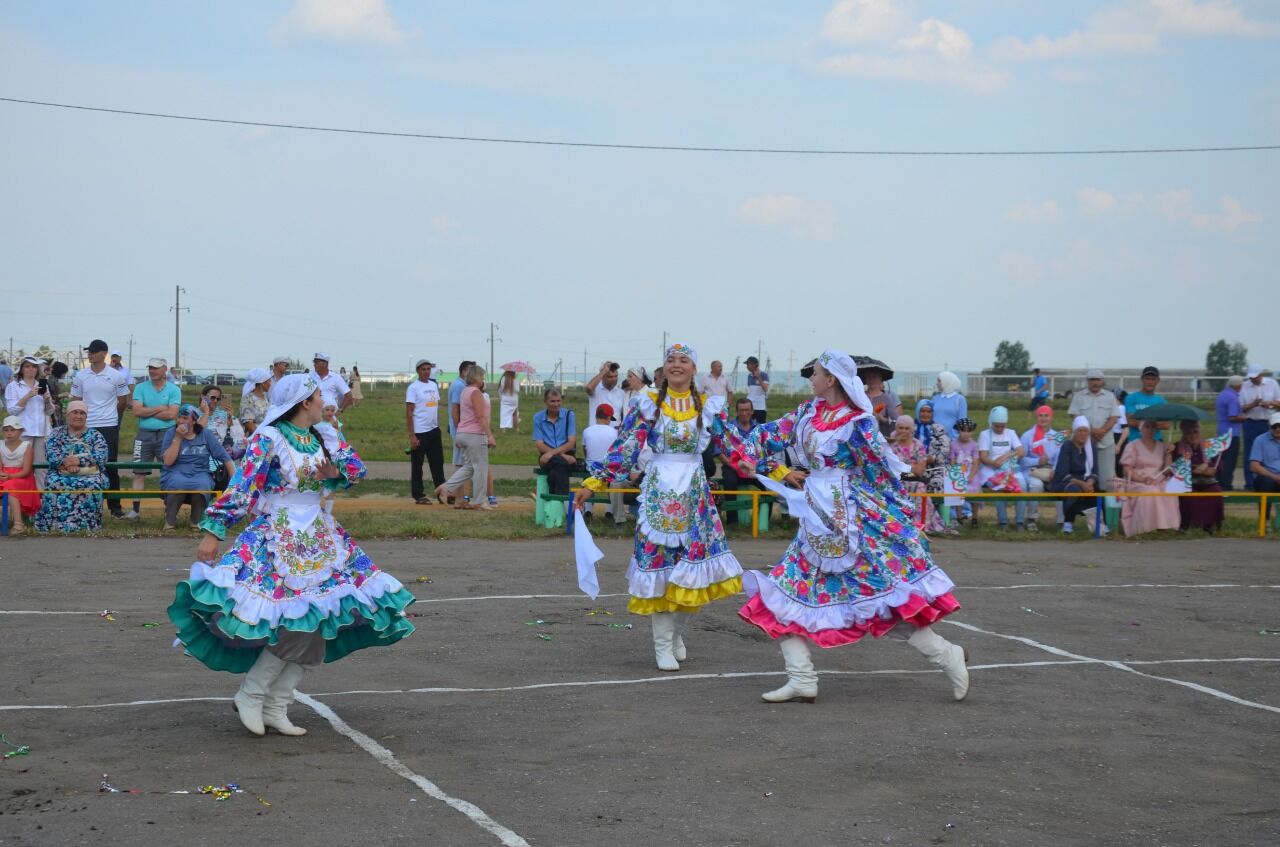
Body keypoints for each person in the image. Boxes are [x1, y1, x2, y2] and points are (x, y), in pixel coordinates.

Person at [169, 373, 416, 737]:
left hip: (320, 536)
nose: (324, 402)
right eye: (318, 396)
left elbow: (353, 471)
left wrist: (336, 474)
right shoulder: (268, 438)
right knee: (292, 621)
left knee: (321, 621)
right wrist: (212, 531)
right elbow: (243, 487)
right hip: (280, 534)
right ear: (304, 402)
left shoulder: (323, 435)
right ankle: (252, 694)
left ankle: (277, 704)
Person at [735, 349, 969, 704]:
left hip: (852, 522)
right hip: (815, 518)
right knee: (782, 593)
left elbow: (879, 472)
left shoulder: (858, 423)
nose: (810, 379)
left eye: (814, 373)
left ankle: (946, 654)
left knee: (887, 602)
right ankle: (801, 677)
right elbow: (770, 433)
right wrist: (746, 451)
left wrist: (894, 519)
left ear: (831, 379)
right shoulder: (807, 412)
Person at [575, 342, 753, 673]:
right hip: (658, 491)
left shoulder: (709, 406)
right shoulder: (647, 404)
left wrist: (776, 471)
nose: (676, 365)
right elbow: (625, 447)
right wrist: (593, 483)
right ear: (664, 368)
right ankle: (661, 643)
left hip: (695, 495)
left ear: (693, 369)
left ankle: (675, 635)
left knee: (692, 572)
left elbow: (737, 446)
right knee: (660, 569)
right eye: (671, 360)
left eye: (684, 360)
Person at [70, 339, 130, 518]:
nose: (90, 354)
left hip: (109, 425)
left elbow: (122, 401)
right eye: (89, 351)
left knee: (110, 465)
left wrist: (113, 418)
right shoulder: (81, 375)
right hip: (86, 425)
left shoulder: (116, 376)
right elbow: (76, 400)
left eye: (94, 351)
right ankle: (85, 506)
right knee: (84, 464)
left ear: (104, 353)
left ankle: (115, 507)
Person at [33, 400, 109, 534]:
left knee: (92, 484)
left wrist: (79, 461)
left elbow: (101, 456)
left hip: (90, 473)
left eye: (82, 413)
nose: (78, 416)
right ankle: (55, 526)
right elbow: (50, 454)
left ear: (86, 417)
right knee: (54, 483)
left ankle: (89, 526)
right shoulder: (56, 433)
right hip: (60, 472)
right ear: (67, 415)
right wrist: (66, 463)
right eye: (74, 412)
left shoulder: (96, 435)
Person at [161, 403, 234, 530]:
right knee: (178, 483)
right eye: (179, 417)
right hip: (176, 471)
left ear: (194, 421)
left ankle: (196, 522)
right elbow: (168, 462)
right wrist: (178, 437)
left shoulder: (205, 434)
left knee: (203, 485)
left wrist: (235, 480)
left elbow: (225, 457)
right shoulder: (171, 433)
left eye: (185, 418)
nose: (180, 421)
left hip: (200, 472)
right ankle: (170, 522)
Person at [437, 364, 496, 510]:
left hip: (463, 433)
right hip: (475, 435)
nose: (483, 379)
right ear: (477, 377)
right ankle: (480, 501)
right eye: (482, 376)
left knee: (469, 467)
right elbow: (480, 416)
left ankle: (446, 487)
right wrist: (490, 435)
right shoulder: (476, 393)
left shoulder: (465, 391)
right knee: (481, 468)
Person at [129, 357, 182, 520]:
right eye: (150, 367)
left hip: (167, 434)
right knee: (139, 471)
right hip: (144, 433)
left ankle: (169, 509)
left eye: (156, 368)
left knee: (167, 470)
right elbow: (136, 411)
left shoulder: (174, 389)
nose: (152, 371)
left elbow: (172, 415)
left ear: (164, 369)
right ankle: (135, 511)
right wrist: (160, 408)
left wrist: (148, 410)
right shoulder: (140, 387)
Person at [1116, 419, 1180, 536]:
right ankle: (1145, 527)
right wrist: (1142, 479)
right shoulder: (1133, 445)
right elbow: (1126, 469)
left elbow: (1167, 470)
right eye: (1147, 427)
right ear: (1141, 429)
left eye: (1152, 427)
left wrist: (1169, 453)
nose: (1150, 430)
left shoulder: (1162, 446)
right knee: (1149, 491)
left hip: (1158, 480)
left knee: (1169, 490)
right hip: (1137, 481)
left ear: (1156, 429)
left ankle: (1166, 526)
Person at [1068, 369, 1119, 493]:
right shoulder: (1079, 396)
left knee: (1107, 481)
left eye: (1098, 379)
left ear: (1102, 381)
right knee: (1084, 477)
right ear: (1087, 381)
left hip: (1105, 442)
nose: (1095, 382)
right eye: (1092, 379)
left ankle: (1106, 510)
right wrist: (1091, 430)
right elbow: (1075, 416)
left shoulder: (1110, 396)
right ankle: (1086, 509)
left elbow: (1114, 416)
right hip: (1083, 443)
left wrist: (1101, 431)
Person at [976, 406, 1026, 530]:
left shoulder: (1011, 433)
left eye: (1002, 426)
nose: (999, 429)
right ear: (991, 423)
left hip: (1009, 467)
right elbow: (983, 456)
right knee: (999, 485)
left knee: (1022, 486)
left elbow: (1020, 451)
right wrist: (994, 463)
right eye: (996, 426)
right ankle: (1003, 522)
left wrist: (1006, 456)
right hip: (990, 469)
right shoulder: (985, 435)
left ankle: (1020, 521)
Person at [405, 359, 445, 504]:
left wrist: (438, 425)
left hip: (433, 430)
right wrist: (412, 435)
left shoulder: (434, 385)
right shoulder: (413, 388)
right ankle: (418, 494)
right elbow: (409, 412)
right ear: (418, 371)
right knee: (418, 464)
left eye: (428, 369)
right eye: (423, 369)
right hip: (420, 431)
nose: (426, 372)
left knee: (437, 462)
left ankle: (441, 492)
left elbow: (434, 407)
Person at [1172, 420, 1224, 533]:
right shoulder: (1177, 447)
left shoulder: (1209, 445)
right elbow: (1178, 468)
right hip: (1186, 481)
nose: (1193, 435)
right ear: (1183, 434)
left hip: (1207, 481)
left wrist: (1199, 468)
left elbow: (1214, 469)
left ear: (1200, 432)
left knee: (1215, 492)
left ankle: (1210, 525)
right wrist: (1199, 468)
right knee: (1189, 495)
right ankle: (1187, 525)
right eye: (1189, 433)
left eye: (1196, 432)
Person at [5, 357, 50, 487]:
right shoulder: (13, 386)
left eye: (34, 366)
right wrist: (28, 395)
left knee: (42, 467)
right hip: (22, 431)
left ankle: (41, 500)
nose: (31, 369)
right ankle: (21, 499)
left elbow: (49, 412)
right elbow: (12, 410)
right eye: (27, 366)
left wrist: (47, 400)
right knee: (21, 466)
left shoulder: (42, 385)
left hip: (41, 431)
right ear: (22, 369)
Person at [1051, 416, 1101, 535]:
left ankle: (1099, 525)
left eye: (1085, 431)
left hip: (1085, 481)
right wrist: (1082, 484)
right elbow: (1063, 472)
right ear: (1074, 432)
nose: (1083, 434)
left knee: (1098, 490)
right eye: (1080, 430)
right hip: (1064, 482)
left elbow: (1095, 471)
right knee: (1075, 490)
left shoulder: (1091, 446)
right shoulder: (1067, 446)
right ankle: (1068, 523)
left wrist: (1089, 483)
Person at [718, 398, 762, 525]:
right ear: (736, 412)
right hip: (732, 466)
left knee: (769, 483)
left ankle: (763, 522)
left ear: (752, 411)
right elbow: (718, 451)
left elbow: (764, 450)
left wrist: (754, 466)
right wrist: (735, 465)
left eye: (747, 410)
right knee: (729, 482)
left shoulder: (759, 429)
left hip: (754, 467)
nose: (744, 413)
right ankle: (733, 522)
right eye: (741, 410)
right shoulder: (728, 429)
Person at [1019, 405, 1064, 532]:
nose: (1043, 418)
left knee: (1061, 485)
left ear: (1051, 418)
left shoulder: (1057, 436)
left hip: (1051, 471)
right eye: (1040, 415)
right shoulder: (1028, 436)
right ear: (1036, 417)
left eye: (1046, 415)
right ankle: (1031, 519)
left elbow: (1060, 458)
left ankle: (1062, 521)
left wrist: (1055, 471)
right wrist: (1037, 461)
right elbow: (1021, 460)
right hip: (1032, 471)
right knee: (1036, 485)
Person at [915, 402, 954, 533]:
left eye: (928, 412)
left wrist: (931, 459)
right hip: (914, 466)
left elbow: (944, 451)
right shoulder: (910, 426)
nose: (925, 414)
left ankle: (946, 521)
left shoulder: (938, 429)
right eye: (922, 411)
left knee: (945, 480)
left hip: (934, 466)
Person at [531, 388, 577, 496]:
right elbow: (539, 444)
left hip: (556, 455)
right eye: (552, 401)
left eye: (558, 401)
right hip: (552, 456)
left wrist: (553, 453)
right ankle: (562, 501)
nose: (556, 404)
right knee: (560, 463)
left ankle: (554, 500)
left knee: (555, 471)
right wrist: (562, 455)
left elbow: (571, 443)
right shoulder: (538, 417)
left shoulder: (569, 415)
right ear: (545, 402)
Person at [1241, 365, 1280, 489]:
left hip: (1270, 423)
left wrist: (1270, 403)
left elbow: (1279, 402)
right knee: (1250, 455)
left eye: (1255, 377)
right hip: (1251, 422)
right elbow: (1241, 408)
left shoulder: (1272, 384)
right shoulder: (1244, 386)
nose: (1253, 380)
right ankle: (1250, 484)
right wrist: (1253, 404)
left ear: (1261, 375)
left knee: (1270, 454)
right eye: (1251, 378)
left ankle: (1272, 478)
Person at [580, 404, 621, 522]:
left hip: (591, 469)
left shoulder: (586, 431)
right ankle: (609, 511)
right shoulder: (614, 432)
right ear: (608, 417)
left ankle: (588, 510)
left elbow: (585, 450)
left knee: (588, 482)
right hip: (608, 470)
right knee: (612, 483)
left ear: (596, 416)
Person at [1, 416, 39, 533]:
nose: (9, 433)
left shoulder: (26, 446)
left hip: (22, 477)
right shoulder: (0, 445)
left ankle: (18, 524)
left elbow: (26, 470)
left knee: (10, 487)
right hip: (4, 476)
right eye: (6, 430)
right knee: (8, 485)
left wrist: (10, 476)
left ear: (20, 431)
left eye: (13, 430)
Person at [856, 357, 901, 437]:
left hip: (881, 437)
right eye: (869, 377)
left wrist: (882, 419)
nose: (871, 379)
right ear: (865, 379)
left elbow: (896, 421)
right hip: (862, 436)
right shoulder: (860, 396)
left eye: (874, 377)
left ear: (880, 378)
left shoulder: (887, 398)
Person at [1247, 412, 1280, 523]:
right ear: (1269, 426)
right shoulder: (1260, 440)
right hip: (1268, 477)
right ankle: (1265, 521)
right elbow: (1254, 466)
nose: (1277, 429)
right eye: (1274, 426)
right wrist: (1275, 477)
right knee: (1266, 482)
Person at [1215, 376, 1246, 490]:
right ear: (1239, 386)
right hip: (1232, 433)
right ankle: (1226, 485)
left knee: (1220, 460)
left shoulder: (1222, 394)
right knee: (1230, 461)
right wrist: (1243, 418)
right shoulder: (1233, 398)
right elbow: (1232, 417)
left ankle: (1218, 482)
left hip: (1221, 431)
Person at [949, 418, 980, 526]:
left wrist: (971, 476)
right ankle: (959, 516)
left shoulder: (974, 445)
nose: (966, 433)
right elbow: (952, 460)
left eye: (969, 431)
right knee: (958, 491)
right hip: (959, 472)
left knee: (975, 491)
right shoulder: (953, 444)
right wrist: (956, 473)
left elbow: (976, 462)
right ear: (958, 431)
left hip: (971, 472)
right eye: (963, 431)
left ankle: (975, 517)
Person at [1124, 366, 1166, 442]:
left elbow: (1166, 424)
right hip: (1135, 442)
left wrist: (1141, 423)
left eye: (1153, 379)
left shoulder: (1161, 401)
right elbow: (1131, 421)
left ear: (1158, 380)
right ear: (1142, 379)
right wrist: (1156, 425)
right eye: (1147, 379)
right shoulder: (1131, 398)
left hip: (1156, 442)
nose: (1150, 382)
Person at [928, 371, 967, 438]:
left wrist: (955, 435)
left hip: (952, 438)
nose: (937, 383)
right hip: (934, 437)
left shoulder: (959, 399)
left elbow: (962, 421)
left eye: (939, 381)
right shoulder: (935, 398)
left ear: (947, 381)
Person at [585, 361, 625, 426]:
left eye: (616, 376)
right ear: (602, 377)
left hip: (615, 434)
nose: (614, 379)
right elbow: (589, 388)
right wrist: (603, 371)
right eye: (610, 377)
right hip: (597, 433)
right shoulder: (595, 389)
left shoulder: (621, 393)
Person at [239, 368, 271, 433]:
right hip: (256, 437)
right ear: (263, 382)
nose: (271, 383)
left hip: (267, 433)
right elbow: (248, 424)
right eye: (269, 381)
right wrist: (263, 436)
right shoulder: (248, 399)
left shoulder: (265, 397)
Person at [744, 356, 769, 424]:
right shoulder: (749, 376)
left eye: (748, 364)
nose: (747, 366)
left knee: (760, 426)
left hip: (760, 406)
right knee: (748, 424)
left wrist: (758, 378)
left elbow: (765, 388)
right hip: (750, 405)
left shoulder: (764, 375)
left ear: (754, 365)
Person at [46, 361, 68, 428]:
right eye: (64, 373)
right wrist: (61, 395)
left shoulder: (54, 379)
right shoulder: (51, 380)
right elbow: (50, 396)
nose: (64, 375)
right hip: (53, 409)